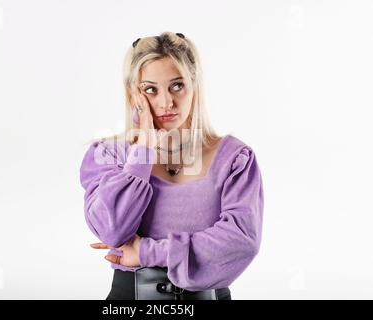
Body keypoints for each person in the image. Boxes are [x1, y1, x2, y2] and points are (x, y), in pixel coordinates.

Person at [79, 32, 264, 300]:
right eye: (150, 89)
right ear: (133, 94)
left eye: (177, 86)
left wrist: (146, 251)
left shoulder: (235, 158)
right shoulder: (109, 155)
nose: (166, 103)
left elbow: (241, 241)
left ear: (194, 86)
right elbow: (113, 230)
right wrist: (142, 150)